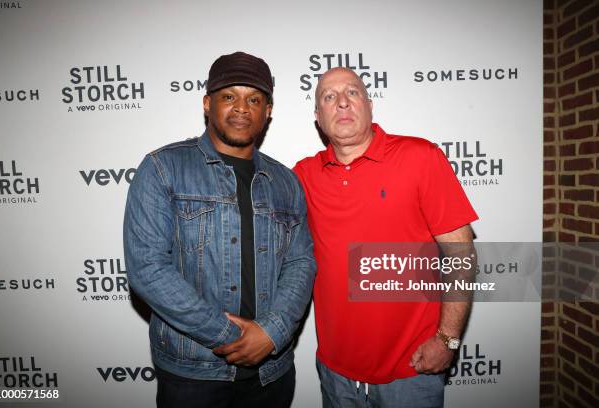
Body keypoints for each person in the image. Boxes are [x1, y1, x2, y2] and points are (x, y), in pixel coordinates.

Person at [123, 51, 315, 408]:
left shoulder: (286, 181)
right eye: (229, 96)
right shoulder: (163, 168)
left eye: (254, 99)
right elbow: (147, 269)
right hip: (193, 376)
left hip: (272, 375)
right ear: (207, 104)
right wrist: (232, 336)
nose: (242, 108)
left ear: (268, 111)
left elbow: (301, 263)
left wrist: (270, 334)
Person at [293, 68, 478, 408]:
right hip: (335, 372)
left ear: (369, 104)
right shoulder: (303, 175)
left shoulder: (420, 157)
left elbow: (460, 251)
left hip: (412, 370)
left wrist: (448, 339)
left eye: (352, 92)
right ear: (318, 118)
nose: (342, 103)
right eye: (329, 97)